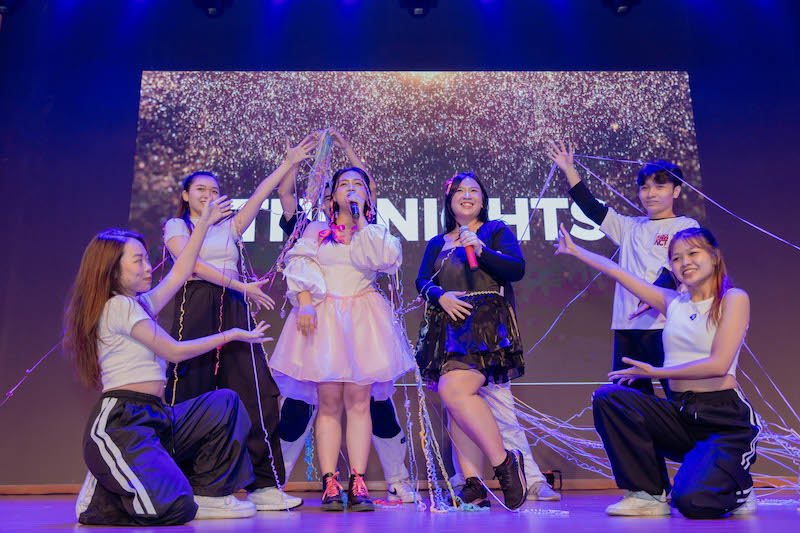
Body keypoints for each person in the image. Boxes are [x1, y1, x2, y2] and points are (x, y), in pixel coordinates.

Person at [65, 197, 270, 525]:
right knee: (174, 508)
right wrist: (231, 333)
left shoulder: (139, 304)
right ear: (111, 269)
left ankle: (209, 494)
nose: (148, 267)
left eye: (147, 259)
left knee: (224, 404)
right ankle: (101, 496)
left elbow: (181, 272)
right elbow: (173, 351)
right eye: (138, 260)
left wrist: (202, 225)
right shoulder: (118, 306)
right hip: (122, 423)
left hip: (156, 416)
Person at [555, 224, 759, 518]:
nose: (685, 262)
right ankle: (648, 493)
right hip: (681, 412)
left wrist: (656, 372)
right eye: (676, 258)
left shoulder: (733, 298)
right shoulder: (672, 302)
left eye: (693, 253)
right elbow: (617, 272)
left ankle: (740, 488)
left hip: (723, 421)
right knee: (609, 397)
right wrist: (576, 251)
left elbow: (719, 364)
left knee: (692, 502)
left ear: (714, 256)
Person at [163, 137, 315, 511]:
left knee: (257, 393)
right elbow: (191, 265)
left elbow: (261, 194)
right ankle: (190, 485)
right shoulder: (176, 225)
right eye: (200, 189)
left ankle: (265, 485)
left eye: (214, 190)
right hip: (196, 307)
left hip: (233, 308)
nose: (208, 195)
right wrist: (241, 286)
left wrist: (288, 162)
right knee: (192, 392)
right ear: (185, 195)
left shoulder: (230, 226)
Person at [276, 129, 419, 504]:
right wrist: (305, 302)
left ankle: (358, 481)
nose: (352, 189)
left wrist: (362, 219)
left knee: (360, 404)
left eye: (358, 185)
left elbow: (385, 260)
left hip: (363, 321)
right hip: (324, 319)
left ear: (368, 195)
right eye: (344, 184)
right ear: (332, 196)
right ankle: (329, 482)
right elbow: (300, 264)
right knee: (327, 404)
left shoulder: (374, 232)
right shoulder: (317, 229)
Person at [415, 172, 534, 510]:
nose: (466, 195)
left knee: (455, 391)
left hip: (484, 323)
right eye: (459, 191)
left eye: (473, 191)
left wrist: (481, 251)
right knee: (454, 399)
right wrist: (439, 295)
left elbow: (516, 269)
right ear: (449, 200)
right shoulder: (438, 242)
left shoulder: (495, 230)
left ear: (482, 200)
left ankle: (505, 463)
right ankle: (473, 485)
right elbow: (421, 280)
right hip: (448, 324)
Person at [547, 142, 699, 396]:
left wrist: (652, 297)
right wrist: (569, 169)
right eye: (645, 187)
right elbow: (592, 208)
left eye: (659, 187)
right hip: (627, 328)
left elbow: (675, 269)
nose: (650, 193)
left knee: (680, 396)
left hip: (665, 325)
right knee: (628, 402)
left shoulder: (685, 225)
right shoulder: (629, 227)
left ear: (676, 191)